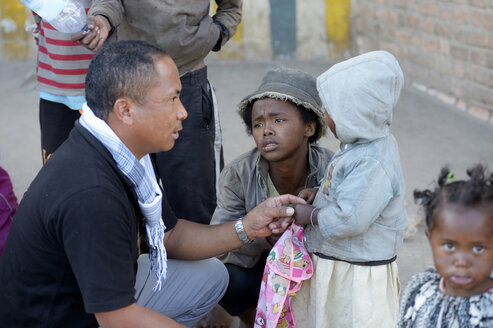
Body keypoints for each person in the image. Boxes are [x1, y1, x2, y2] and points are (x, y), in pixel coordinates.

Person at [0, 40, 304, 328]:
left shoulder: (121, 152)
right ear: (126, 110)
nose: (182, 111)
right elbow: (116, 318)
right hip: (59, 320)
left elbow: (170, 235)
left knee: (211, 275)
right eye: (171, 99)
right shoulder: (92, 192)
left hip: (88, 299)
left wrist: (249, 227)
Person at [75, 0, 243, 225]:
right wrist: (101, 19)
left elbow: (231, 7)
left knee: (196, 204)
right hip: (131, 84)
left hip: (188, 79)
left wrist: (216, 34)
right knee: (131, 201)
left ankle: (203, 257)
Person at [290, 50, 407, 328]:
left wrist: (312, 215)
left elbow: (351, 219)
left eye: (331, 110)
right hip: (345, 263)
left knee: (351, 318)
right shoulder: (362, 145)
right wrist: (320, 193)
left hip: (357, 271)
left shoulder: (371, 161)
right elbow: (352, 192)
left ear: (356, 115)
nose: (325, 116)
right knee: (333, 317)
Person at [209, 67, 332, 327]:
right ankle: (252, 316)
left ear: (309, 127)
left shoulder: (333, 169)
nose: (266, 131)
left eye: (278, 120)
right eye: (258, 123)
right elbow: (219, 242)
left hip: (314, 270)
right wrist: (262, 235)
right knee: (224, 279)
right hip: (259, 267)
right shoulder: (237, 175)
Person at [397, 165, 493, 327]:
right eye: (449, 246)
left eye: (478, 248)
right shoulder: (420, 288)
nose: (462, 261)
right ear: (430, 239)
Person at [29, 0, 106, 163]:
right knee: (57, 166)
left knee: (105, 164)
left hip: (103, 85)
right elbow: (37, 9)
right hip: (54, 83)